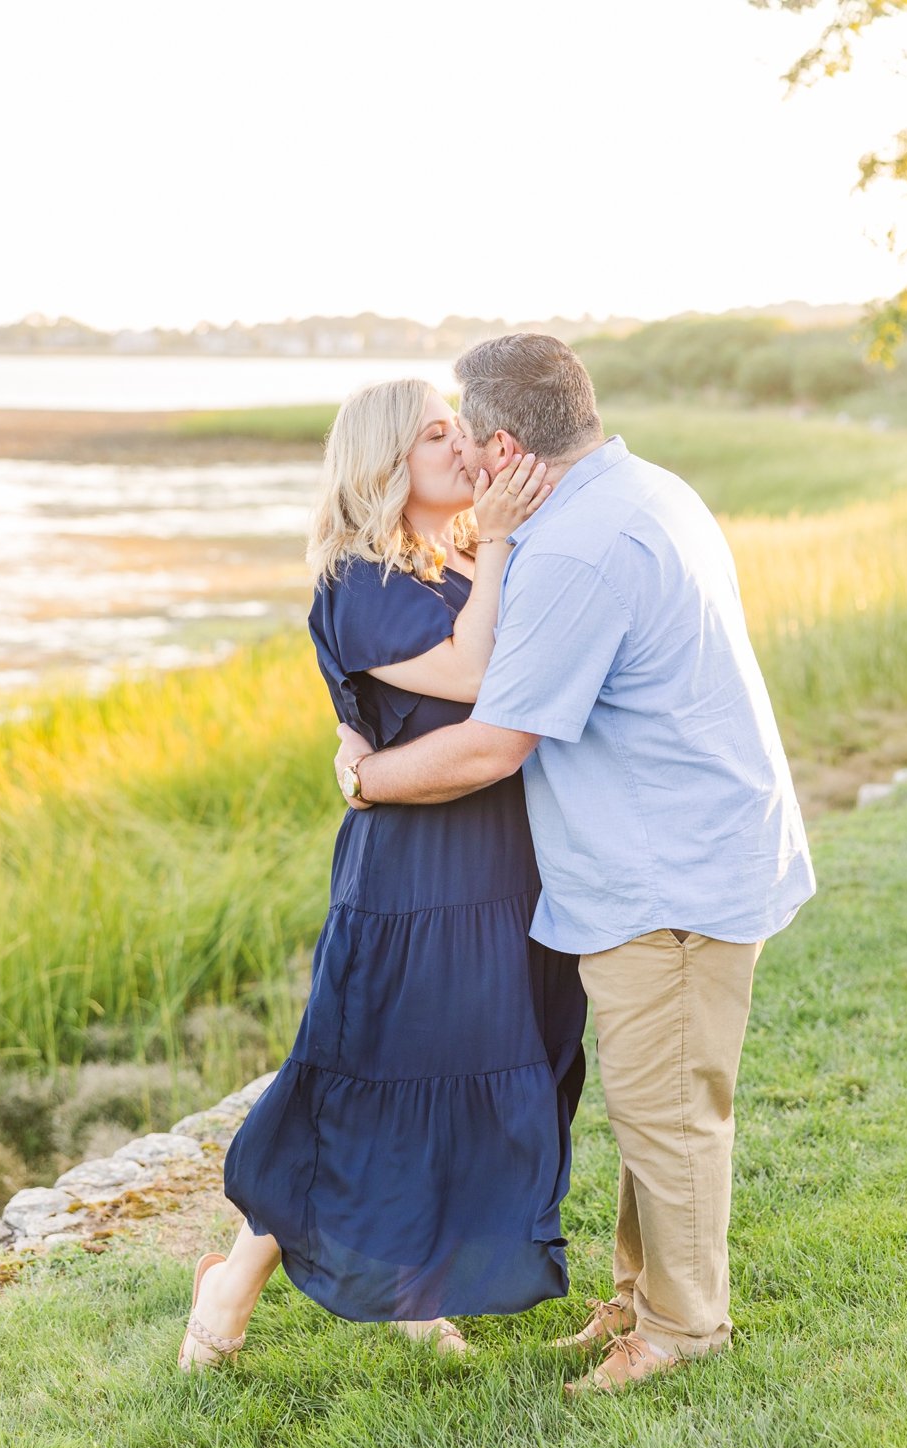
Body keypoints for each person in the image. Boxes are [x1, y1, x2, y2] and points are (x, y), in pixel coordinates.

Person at [334, 335, 817, 1394]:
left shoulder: (572, 549)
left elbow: (493, 742)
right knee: (660, 1093)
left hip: (668, 868)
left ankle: (683, 1329)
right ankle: (641, 1301)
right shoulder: (644, 488)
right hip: (696, 841)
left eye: (467, 432)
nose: (461, 450)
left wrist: (366, 777)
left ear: (506, 444)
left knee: (670, 1108)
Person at [176, 378, 587, 1372]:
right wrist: (494, 541)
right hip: (413, 884)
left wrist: (492, 542)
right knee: (361, 1087)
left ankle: (414, 1286)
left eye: (457, 427)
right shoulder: (357, 583)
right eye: (435, 435)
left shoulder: (449, 562)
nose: (462, 446)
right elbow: (480, 678)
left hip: (500, 866)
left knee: (471, 1074)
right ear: (382, 463)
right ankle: (228, 1288)